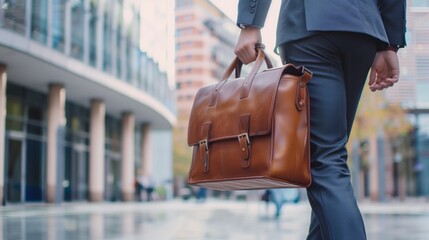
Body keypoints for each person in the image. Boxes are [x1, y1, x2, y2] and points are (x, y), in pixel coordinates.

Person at [234, 1, 406, 239]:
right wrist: (389, 43)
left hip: (310, 27)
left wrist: (250, 22)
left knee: (324, 160)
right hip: (363, 30)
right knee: (329, 158)